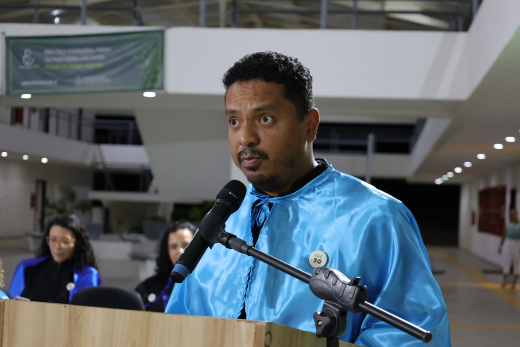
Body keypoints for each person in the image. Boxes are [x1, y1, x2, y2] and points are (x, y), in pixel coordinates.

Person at [165, 52, 450, 346]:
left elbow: (412, 332)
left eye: (265, 118)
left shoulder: (375, 216)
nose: (245, 137)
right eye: (234, 121)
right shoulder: (224, 221)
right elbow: (178, 322)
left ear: (310, 125)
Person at [8, 214, 101, 303]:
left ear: (77, 243)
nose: (58, 246)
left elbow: (93, 312)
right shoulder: (27, 268)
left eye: (65, 241)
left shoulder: (88, 275)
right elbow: (10, 305)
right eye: (53, 239)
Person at [135, 222, 195, 312]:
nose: (179, 251)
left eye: (186, 245)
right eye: (173, 246)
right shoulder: (148, 287)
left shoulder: (208, 285)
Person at [498, 208, 520, 290]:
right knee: (506, 261)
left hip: (517, 244)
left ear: (517, 215)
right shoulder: (507, 225)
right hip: (508, 243)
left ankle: (514, 282)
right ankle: (505, 281)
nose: (512, 215)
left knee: (517, 263)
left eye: (514, 214)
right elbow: (503, 236)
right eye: (511, 214)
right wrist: (500, 246)